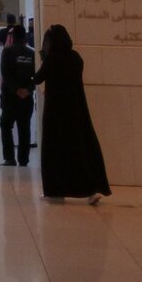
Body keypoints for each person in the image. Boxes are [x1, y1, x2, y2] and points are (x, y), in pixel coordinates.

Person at [33, 25, 110, 204]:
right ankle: (90, 190)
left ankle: (55, 190)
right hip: (76, 111)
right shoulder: (76, 58)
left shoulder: (52, 59)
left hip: (55, 113)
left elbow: (38, 78)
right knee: (79, 151)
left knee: (55, 152)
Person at [0, 23, 35, 167]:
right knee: (24, 127)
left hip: (10, 96)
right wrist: (27, 90)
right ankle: (23, 159)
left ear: (12, 37)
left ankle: (9, 158)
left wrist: (16, 90)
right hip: (26, 98)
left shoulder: (7, 51)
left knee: (6, 125)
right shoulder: (31, 53)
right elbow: (35, 76)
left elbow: (5, 73)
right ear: (25, 37)